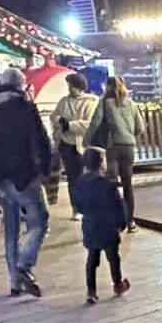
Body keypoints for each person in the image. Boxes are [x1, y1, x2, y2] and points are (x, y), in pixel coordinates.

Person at [0, 66, 51, 297]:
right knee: (39, 222)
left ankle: (14, 283)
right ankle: (24, 266)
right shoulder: (25, 107)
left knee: (11, 229)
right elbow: (41, 139)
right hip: (24, 175)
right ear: (20, 85)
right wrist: (45, 168)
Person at [71, 147, 131, 304]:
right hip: (108, 227)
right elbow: (118, 206)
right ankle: (118, 284)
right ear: (101, 164)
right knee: (113, 258)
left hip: (90, 225)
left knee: (92, 260)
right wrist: (122, 223)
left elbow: (77, 205)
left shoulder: (79, 184)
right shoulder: (108, 184)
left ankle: (91, 291)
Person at [90, 76, 140, 232]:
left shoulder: (105, 103)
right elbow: (140, 127)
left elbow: (95, 123)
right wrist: (130, 136)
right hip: (128, 146)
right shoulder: (131, 104)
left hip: (112, 147)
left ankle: (115, 220)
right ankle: (130, 221)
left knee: (111, 184)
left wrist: (88, 141)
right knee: (128, 184)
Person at [50, 73, 96, 214]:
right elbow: (54, 116)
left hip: (83, 145)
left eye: (71, 85)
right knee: (72, 178)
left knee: (86, 177)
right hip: (66, 144)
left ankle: (87, 206)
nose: (69, 88)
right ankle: (75, 207)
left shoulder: (91, 102)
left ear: (79, 86)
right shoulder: (64, 101)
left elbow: (90, 124)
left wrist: (69, 125)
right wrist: (59, 122)